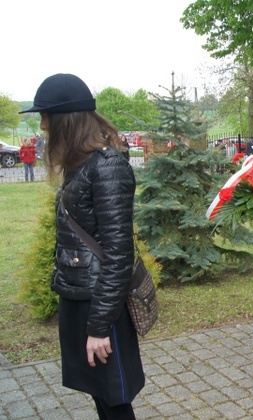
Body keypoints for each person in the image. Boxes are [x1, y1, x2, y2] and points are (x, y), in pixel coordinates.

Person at [20, 73, 143, 419]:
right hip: (80, 297)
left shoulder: (108, 167)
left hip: (102, 305)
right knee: (101, 395)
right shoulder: (82, 164)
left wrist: (99, 326)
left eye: (47, 117)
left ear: (67, 120)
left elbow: (119, 256)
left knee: (115, 399)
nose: (43, 125)